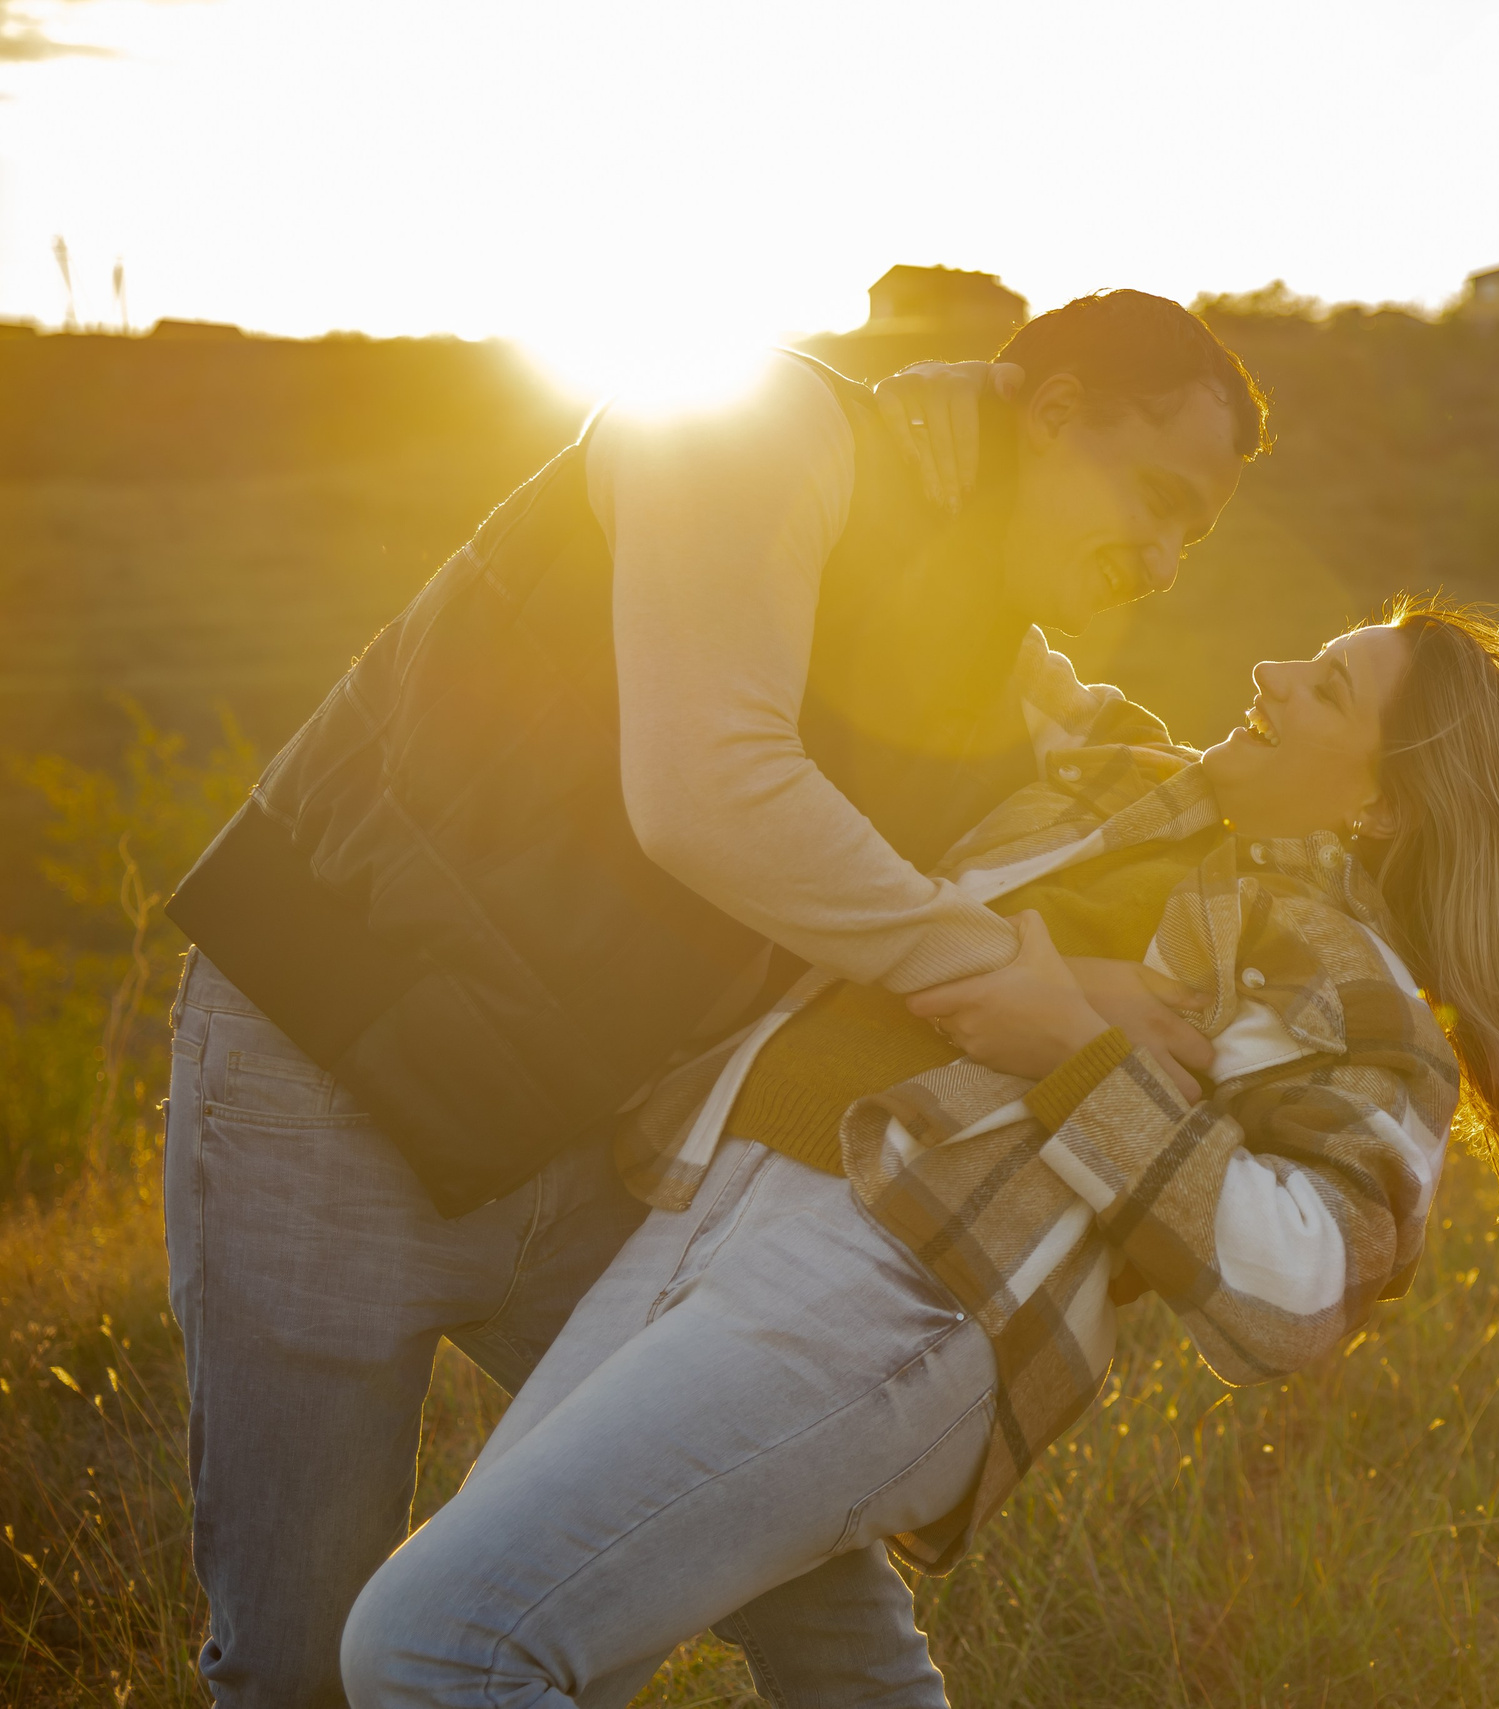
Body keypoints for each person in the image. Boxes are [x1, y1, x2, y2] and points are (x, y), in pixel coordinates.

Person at [160, 291, 1269, 1707]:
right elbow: (712, 792)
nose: (1168, 560)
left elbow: (1159, 793)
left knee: (824, 1611)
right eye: (1159, 497)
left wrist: (1390, 829)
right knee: (302, 1664)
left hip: (579, 1145)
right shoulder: (752, 431)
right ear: (1051, 414)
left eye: (1197, 534)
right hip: (325, 1086)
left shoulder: (996, 650)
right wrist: (1005, 977)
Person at [337, 603, 1499, 1707]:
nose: (1273, 667)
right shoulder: (1126, 783)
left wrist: (1075, 1044)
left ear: (1377, 809)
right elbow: (984, 614)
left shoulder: (1339, 979)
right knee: (511, 1641)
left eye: (1329, 690)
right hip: (714, 1213)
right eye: (1310, 650)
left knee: (430, 1645)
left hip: (898, 1289)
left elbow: (1301, 1287)